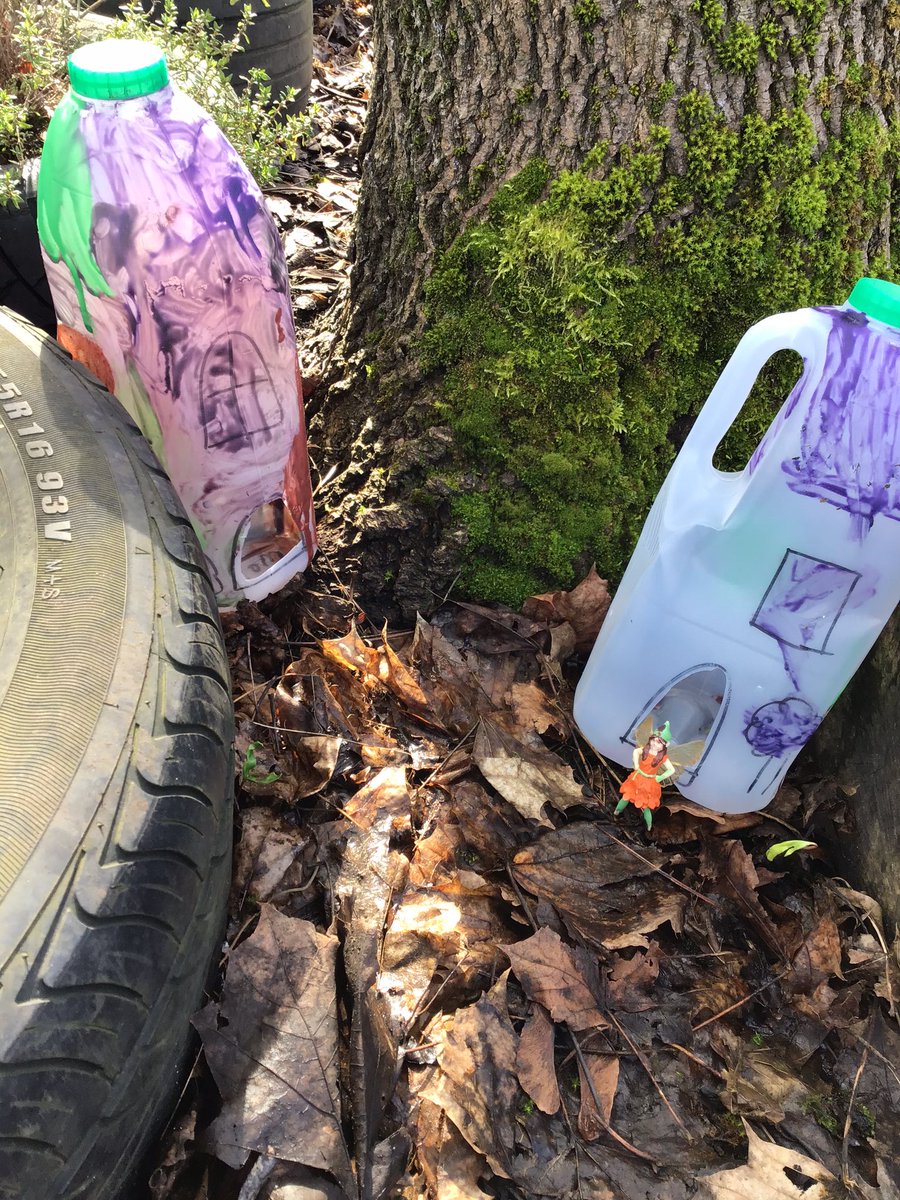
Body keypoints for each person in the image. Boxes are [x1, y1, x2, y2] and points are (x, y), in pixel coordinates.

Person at [615, 721, 676, 830]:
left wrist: (660, 777)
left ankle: (649, 825)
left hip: (649, 783)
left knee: (646, 806)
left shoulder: (662, 758)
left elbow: (671, 769)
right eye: (653, 740)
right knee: (626, 796)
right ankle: (617, 811)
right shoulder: (645, 750)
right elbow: (636, 752)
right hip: (637, 778)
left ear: (665, 745)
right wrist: (636, 764)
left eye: (658, 742)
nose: (654, 744)